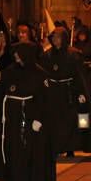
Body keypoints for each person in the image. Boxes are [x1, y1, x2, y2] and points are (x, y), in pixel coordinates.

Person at [0, 42, 56, 181]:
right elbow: (2, 90)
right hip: (11, 118)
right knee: (12, 147)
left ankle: (29, 180)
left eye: (18, 54)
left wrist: (39, 119)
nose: (16, 57)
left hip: (30, 116)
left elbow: (45, 98)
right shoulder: (11, 70)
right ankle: (13, 178)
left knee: (30, 149)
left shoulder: (40, 74)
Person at [38, 27, 90, 157]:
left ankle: (70, 147)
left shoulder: (73, 54)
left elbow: (80, 75)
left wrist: (82, 93)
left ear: (64, 39)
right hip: (53, 92)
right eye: (53, 38)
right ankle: (56, 146)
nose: (55, 40)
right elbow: (41, 72)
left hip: (69, 92)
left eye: (58, 38)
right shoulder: (47, 55)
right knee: (55, 120)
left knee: (72, 120)